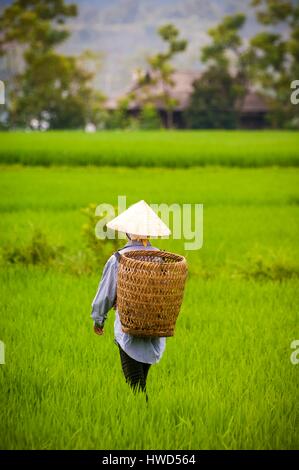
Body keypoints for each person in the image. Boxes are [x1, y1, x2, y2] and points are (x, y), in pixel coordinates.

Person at [90, 200, 171, 400]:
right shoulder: (160, 258)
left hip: (128, 328)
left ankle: (144, 417)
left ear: (127, 232)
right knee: (140, 382)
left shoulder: (119, 258)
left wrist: (98, 319)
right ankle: (145, 417)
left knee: (135, 389)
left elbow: (106, 294)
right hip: (154, 328)